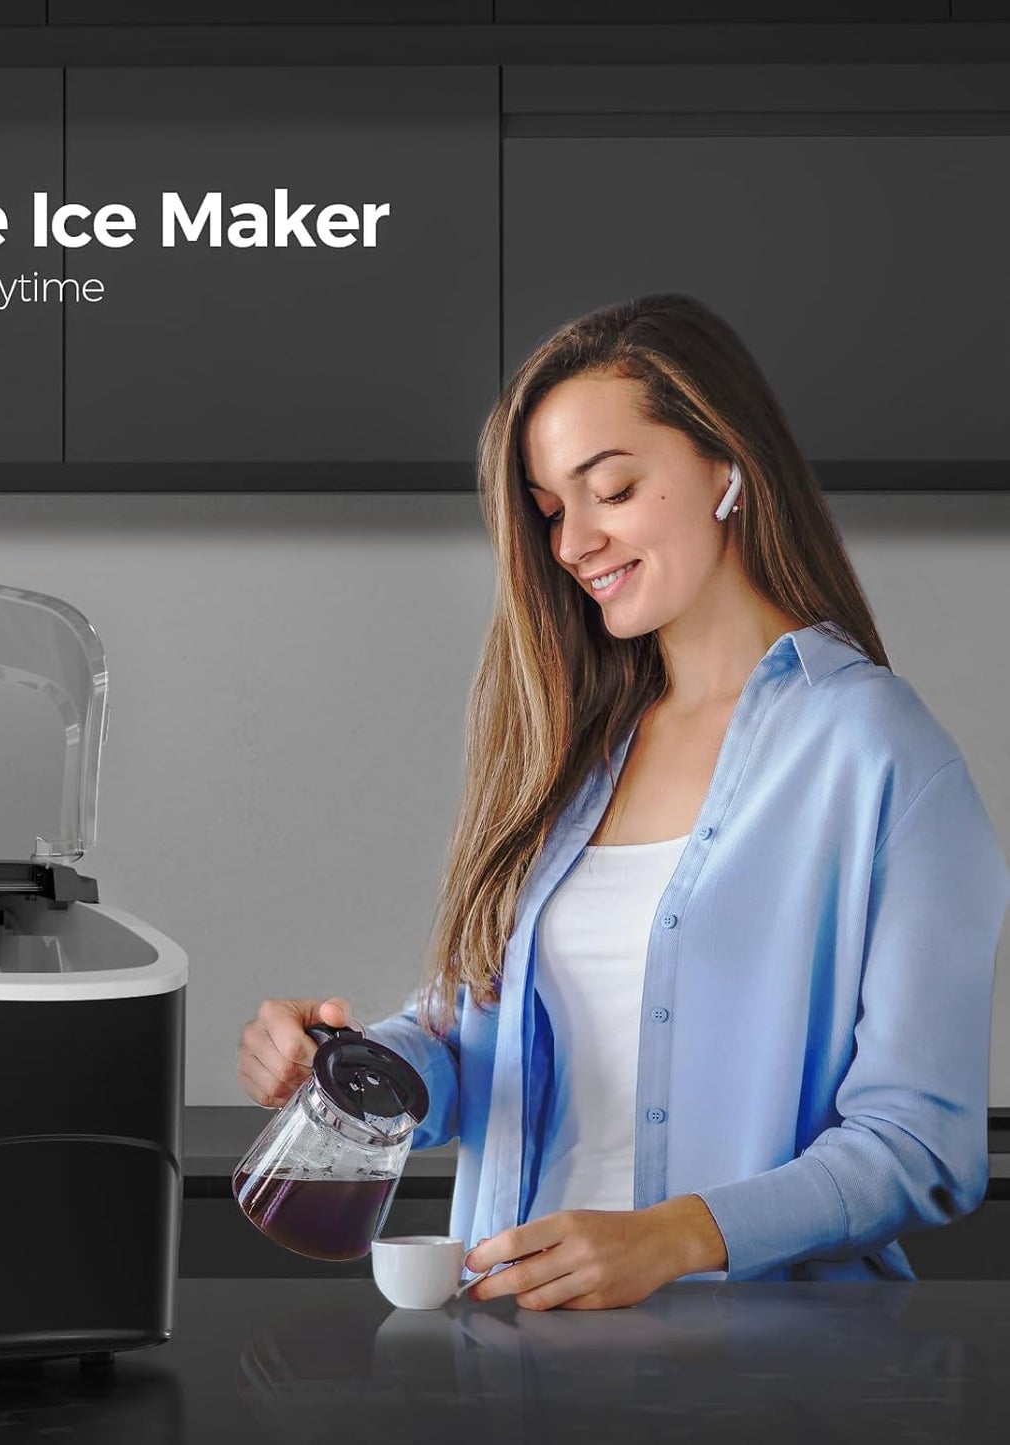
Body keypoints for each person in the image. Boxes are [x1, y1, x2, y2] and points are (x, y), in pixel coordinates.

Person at [236, 293, 1010, 1310]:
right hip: (512, 1347)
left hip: (770, 1379)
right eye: (551, 509)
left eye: (611, 488)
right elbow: (485, 1040)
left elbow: (920, 1142)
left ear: (725, 466)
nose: (570, 543)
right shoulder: (572, 750)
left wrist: (675, 1236)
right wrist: (353, 1059)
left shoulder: (876, 753)